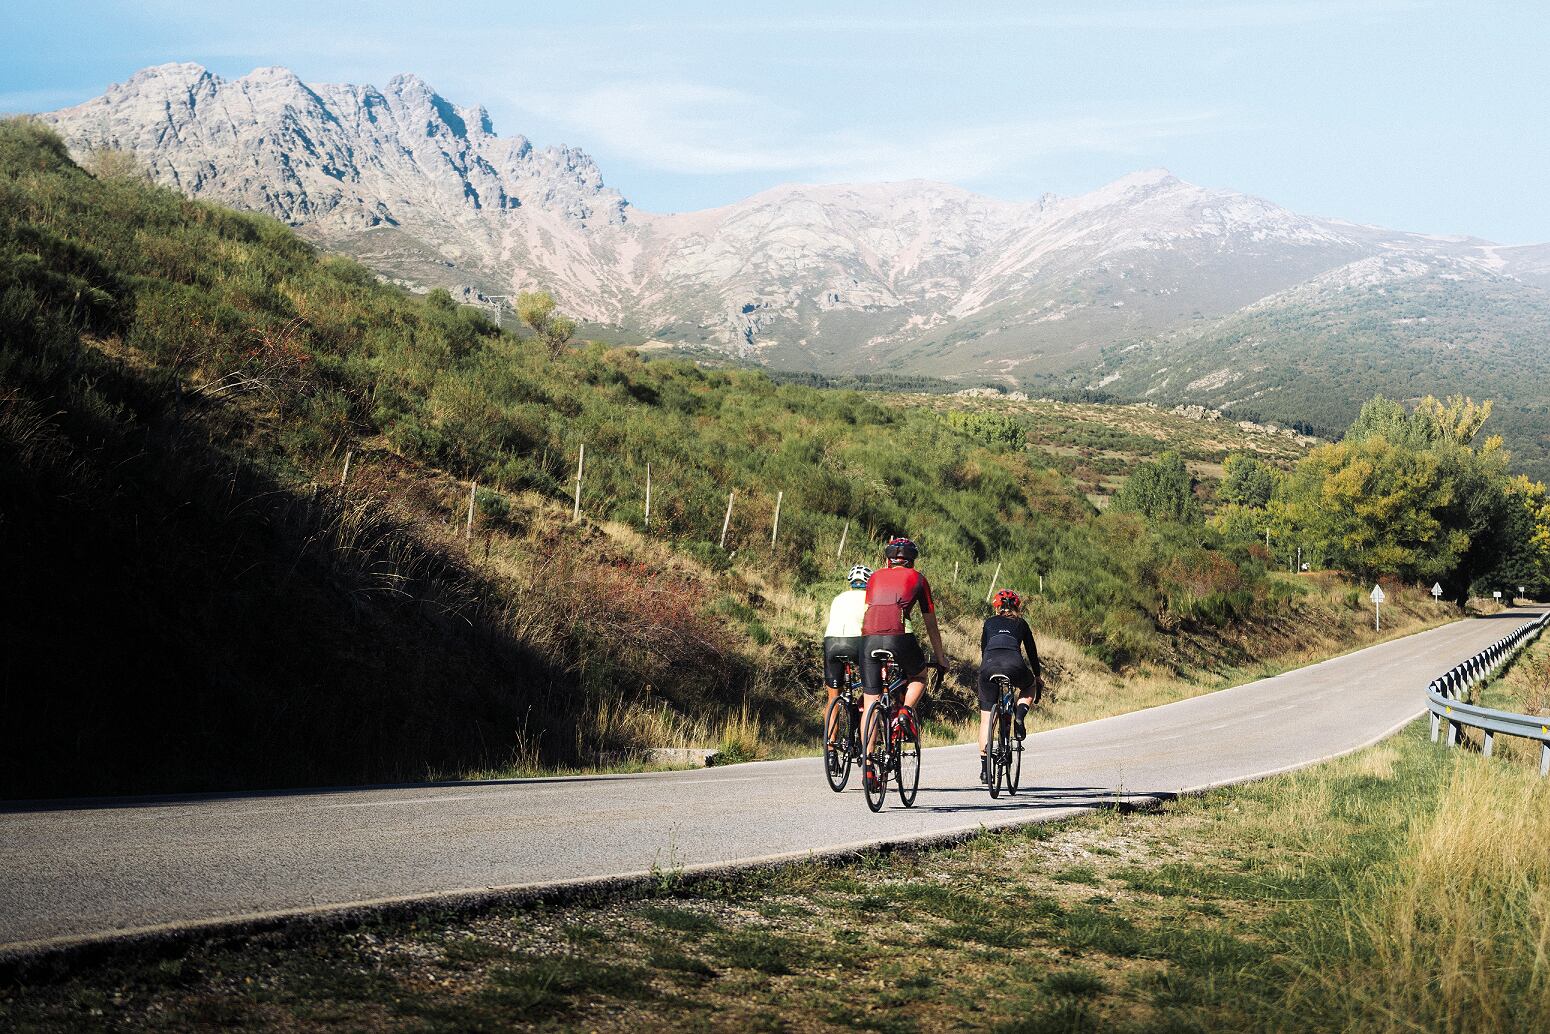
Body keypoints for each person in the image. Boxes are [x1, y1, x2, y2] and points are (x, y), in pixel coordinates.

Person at [860, 537, 948, 788]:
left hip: (868, 639)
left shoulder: (874, 577)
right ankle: (905, 712)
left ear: (888, 559)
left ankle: (868, 768)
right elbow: (931, 623)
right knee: (919, 676)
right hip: (900, 637)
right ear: (912, 560)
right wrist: (940, 658)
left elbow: (869, 610)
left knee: (870, 704)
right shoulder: (919, 579)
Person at [977, 588, 1042, 784]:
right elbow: (1032, 652)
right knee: (1029, 686)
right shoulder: (1021, 623)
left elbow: (983, 650)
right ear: (1017, 607)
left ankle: (985, 770)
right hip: (1015, 666)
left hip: (988, 668)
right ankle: (1020, 714)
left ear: (996, 607)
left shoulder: (989, 623)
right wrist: (1037, 677)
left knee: (986, 720)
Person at [822, 564, 872, 748]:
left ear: (851, 582)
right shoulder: (870, 598)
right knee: (871, 690)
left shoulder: (838, 598)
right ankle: (865, 730)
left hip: (831, 642)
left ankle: (830, 747)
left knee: (833, 697)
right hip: (857, 642)